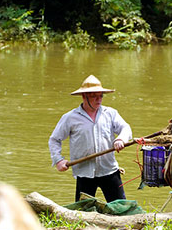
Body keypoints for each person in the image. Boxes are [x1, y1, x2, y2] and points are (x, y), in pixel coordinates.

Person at [49, 75, 133, 203]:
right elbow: (55, 139)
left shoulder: (110, 113)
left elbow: (125, 128)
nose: (98, 100)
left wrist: (120, 139)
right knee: (82, 212)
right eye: (94, 96)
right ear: (84, 97)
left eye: (100, 96)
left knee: (122, 208)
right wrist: (58, 160)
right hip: (84, 173)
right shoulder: (70, 117)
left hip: (109, 170)